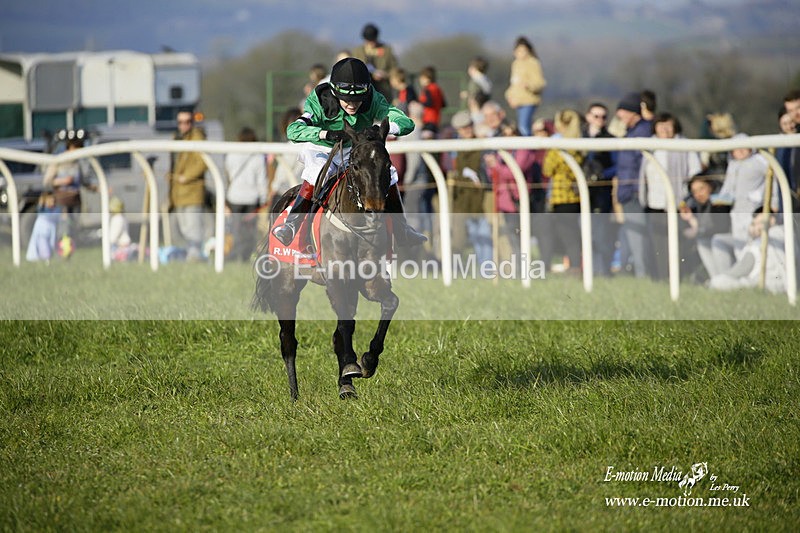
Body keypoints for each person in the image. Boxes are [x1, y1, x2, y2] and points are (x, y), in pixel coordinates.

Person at [272, 57, 426, 248]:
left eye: (357, 100)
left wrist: (384, 129)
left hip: (351, 149)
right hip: (320, 148)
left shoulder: (373, 98)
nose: (352, 105)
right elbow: (293, 131)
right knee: (319, 171)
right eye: (346, 100)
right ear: (335, 93)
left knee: (390, 173)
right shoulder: (320, 100)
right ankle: (292, 225)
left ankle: (402, 229)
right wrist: (324, 133)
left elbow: (406, 122)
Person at [639, 112, 702, 280]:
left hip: (679, 203)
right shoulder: (649, 146)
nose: (665, 129)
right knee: (659, 244)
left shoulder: (684, 145)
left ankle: (679, 277)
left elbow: (695, 172)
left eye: (668, 125)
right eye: (661, 125)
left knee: (679, 243)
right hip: (655, 203)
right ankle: (662, 278)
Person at [707, 134, 774, 277]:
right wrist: (720, 200)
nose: (741, 151)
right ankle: (729, 279)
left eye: (744, 147)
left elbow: (773, 180)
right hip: (736, 213)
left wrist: (766, 199)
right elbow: (728, 187)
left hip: (753, 213)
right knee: (737, 247)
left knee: (751, 247)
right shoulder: (732, 164)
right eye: (737, 149)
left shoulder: (759, 160)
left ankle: (751, 278)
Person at [614, 91, 653, 278]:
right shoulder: (632, 132)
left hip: (636, 192)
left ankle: (643, 275)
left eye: (621, 111)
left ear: (632, 112)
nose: (618, 116)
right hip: (628, 191)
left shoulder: (642, 131)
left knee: (638, 237)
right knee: (631, 234)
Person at [542, 109, 584, 274]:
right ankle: (574, 266)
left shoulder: (558, 146)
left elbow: (547, 169)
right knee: (571, 235)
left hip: (562, 198)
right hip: (574, 197)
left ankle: (574, 268)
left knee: (569, 237)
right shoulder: (578, 143)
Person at [709, 207, 788, 294]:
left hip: (767, 284)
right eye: (754, 224)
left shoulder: (759, 244)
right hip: (781, 284)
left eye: (760, 223)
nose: (756, 228)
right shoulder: (784, 233)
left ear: (772, 220)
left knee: (718, 282)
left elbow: (739, 270)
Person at [448, 110, 491, 265]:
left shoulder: (483, 144)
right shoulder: (455, 149)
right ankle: (482, 268)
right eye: (463, 128)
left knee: (484, 233)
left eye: (468, 126)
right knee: (474, 235)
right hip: (464, 199)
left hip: (482, 198)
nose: (466, 130)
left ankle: (487, 270)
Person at [42, 131, 94, 252]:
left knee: (73, 229)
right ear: (70, 147)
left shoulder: (77, 164)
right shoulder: (59, 161)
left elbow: (83, 182)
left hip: (75, 201)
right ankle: (61, 252)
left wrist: (98, 188)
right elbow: (47, 181)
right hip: (62, 202)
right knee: (63, 229)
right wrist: (62, 181)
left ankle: (70, 253)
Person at [167, 109, 208, 261]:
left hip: (192, 192)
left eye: (187, 122)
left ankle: (195, 258)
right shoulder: (177, 138)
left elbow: (203, 162)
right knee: (184, 230)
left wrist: (187, 177)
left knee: (193, 229)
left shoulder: (197, 136)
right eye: (180, 122)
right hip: (178, 194)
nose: (184, 125)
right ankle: (191, 256)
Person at [582, 102, 617, 276]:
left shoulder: (610, 139)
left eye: (603, 117)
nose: (600, 120)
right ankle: (587, 270)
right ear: (588, 117)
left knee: (602, 234)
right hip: (581, 193)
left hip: (602, 193)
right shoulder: (579, 137)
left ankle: (603, 271)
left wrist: (602, 174)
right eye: (596, 116)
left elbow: (617, 165)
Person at [225, 126, 267, 262]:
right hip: (252, 199)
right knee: (249, 231)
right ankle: (245, 256)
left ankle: (233, 256)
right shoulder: (258, 156)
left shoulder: (232, 154)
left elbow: (228, 174)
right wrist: (264, 198)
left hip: (234, 197)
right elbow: (262, 180)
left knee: (235, 229)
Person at [679, 175, 730, 282]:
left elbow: (721, 227)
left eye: (701, 188)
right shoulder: (697, 205)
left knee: (715, 240)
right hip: (711, 240)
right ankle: (716, 279)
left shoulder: (719, 201)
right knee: (702, 242)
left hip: (727, 239)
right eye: (694, 191)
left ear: (710, 187)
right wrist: (691, 218)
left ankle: (723, 279)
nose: (698, 194)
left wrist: (698, 231)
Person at [504, 36, 546, 136]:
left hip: (529, 101)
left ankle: (527, 149)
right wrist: (509, 96)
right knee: (521, 126)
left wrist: (528, 85)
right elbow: (513, 84)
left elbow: (540, 82)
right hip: (517, 102)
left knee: (524, 127)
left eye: (523, 50)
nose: (521, 53)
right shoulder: (515, 64)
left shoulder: (533, 63)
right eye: (518, 51)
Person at [351, 23, 398, 102]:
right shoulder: (357, 52)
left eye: (373, 40)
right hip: (364, 91)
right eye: (369, 41)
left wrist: (385, 74)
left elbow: (394, 69)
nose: (371, 43)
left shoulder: (387, 50)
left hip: (383, 90)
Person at [25, 190, 60, 263]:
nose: (52, 203)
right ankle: (46, 259)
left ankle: (48, 258)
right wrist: (41, 203)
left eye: (53, 201)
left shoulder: (56, 210)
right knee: (44, 246)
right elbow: (40, 209)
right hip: (42, 233)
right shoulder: (42, 209)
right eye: (50, 201)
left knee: (51, 245)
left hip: (51, 231)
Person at [461, 56, 492, 126]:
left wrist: (467, 95)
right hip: (485, 107)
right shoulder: (486, 79)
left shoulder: (475, 80)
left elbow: (474, 94)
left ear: (474, 68)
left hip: (476, 108)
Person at [417, 66, 447, 136]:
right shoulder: (437, 88)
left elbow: (429, 103)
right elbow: (444, 104)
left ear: (426, 78)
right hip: (437, 119)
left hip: (428, 120)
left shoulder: (428, 89)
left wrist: (419, 103)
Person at [108, 196, 138, 262]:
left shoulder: (117, 219)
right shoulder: (123, 217)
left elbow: (113, 238)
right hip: (124, 245)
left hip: (120, 246)